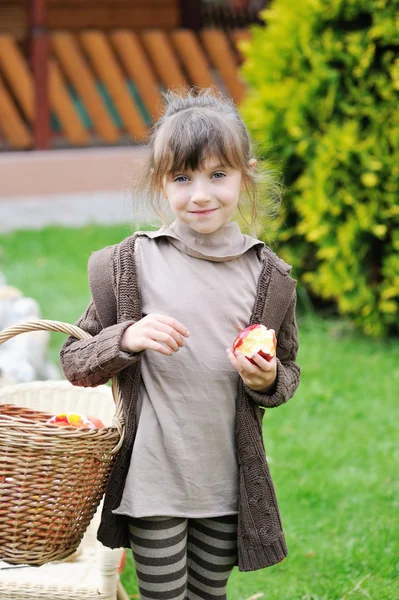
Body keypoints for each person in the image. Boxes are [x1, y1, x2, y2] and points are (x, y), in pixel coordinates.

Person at [59, 88, 301, 600]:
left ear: (245, 174)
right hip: (153, 479)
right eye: (183, 178)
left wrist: (268, 378)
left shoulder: (270, 278)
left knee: (209, 595)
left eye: (218, 175)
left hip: (226, 482)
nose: (200, 195)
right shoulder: (129, 265)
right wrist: (125, 337)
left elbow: (288, 374)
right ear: (160, 181)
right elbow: (75, 362)